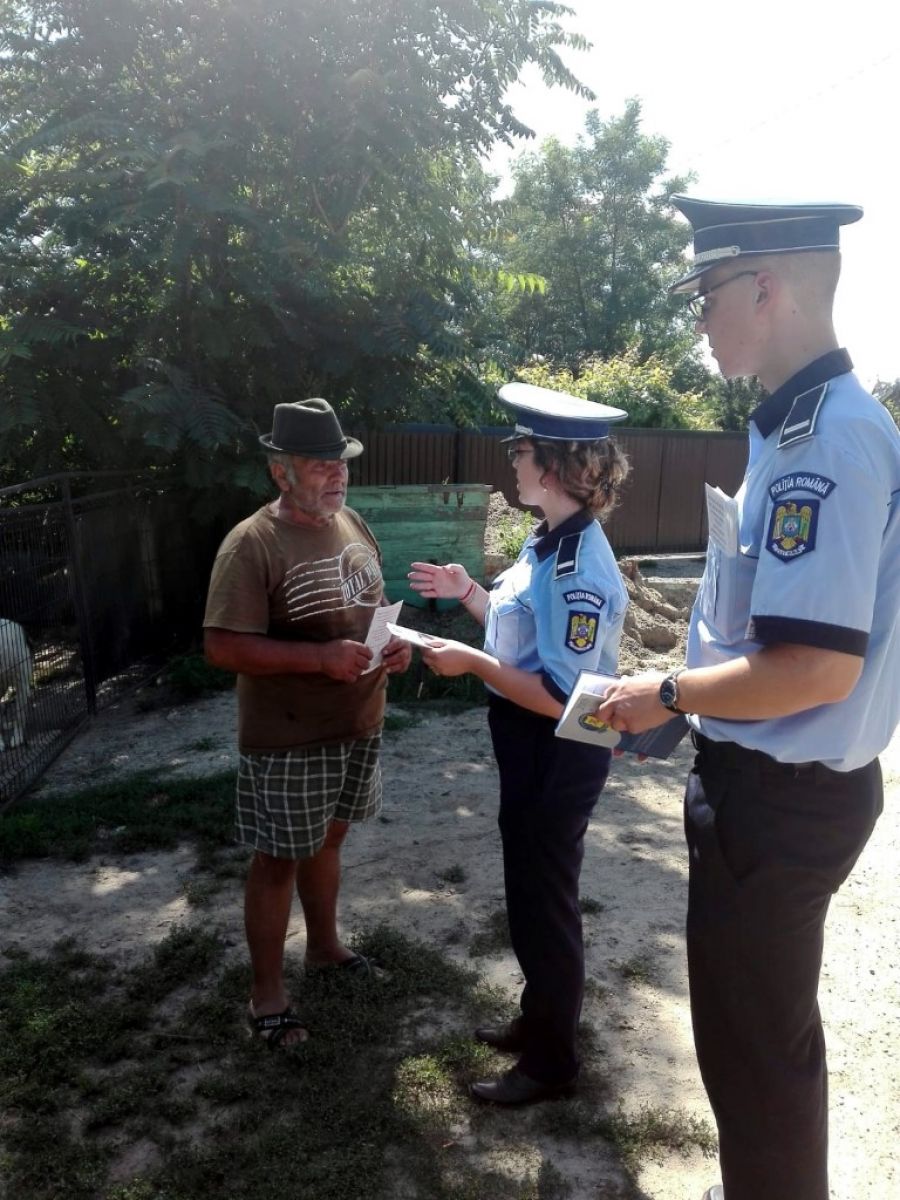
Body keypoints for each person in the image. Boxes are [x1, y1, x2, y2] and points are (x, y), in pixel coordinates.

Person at [594, 198, 900, 1200]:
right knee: (758, 1044)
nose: (699, 319)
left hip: (778, 801)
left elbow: (816, 668)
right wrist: (689, 702)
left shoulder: (825, 442)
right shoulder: (801, 427)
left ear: (763, 287)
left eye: (706, 294)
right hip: (774, 784)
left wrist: (667, 691)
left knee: (757, 1061)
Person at [408, 383, 630, 1105]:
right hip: (530, 744)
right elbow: (522, 637)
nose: (512, 460)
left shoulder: (578, 567)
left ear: (555, 467)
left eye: (521, 449)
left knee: (546, 905)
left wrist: (472, 664)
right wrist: (470, 593)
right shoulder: (547, 539)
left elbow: (565, 698)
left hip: (557, 751)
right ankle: (538, 1022)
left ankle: (552, 1064)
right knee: (528, 894)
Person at [204, 398, 412, 1051]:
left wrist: (395, 646)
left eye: (340, 461)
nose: (336, 474)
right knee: (278, 860)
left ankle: (324, 948)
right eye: (320, 464)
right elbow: (222, 646)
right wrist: (318, 658)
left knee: (329, 841)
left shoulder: (350, 521)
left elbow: (374, 603)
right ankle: (267, 993)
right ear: (281, 471)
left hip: (360, 720)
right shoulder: (251, 544)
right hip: (289, 734)